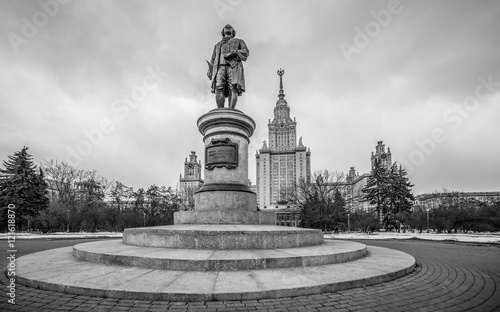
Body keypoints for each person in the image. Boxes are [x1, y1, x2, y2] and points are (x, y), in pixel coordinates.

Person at [207, 24, 249, 109]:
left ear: (233, 32)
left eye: (230, 28)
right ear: (223, 32)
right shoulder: (217, 45)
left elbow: (246, 52)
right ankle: (220, 111)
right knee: (219, 88)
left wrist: (234, 52)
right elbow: (213, 59)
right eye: (226, 27)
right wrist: (210, 70)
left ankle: (231, 110)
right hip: (220, 67)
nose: (228, 28)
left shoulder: (239, 41)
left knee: (233, 88)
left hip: (233, 66)